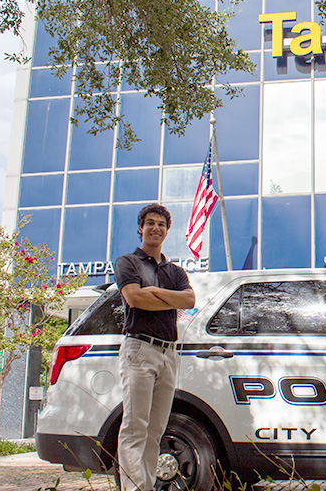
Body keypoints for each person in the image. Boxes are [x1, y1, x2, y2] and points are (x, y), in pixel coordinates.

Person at [114, 203, 195, 491]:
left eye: (161, 223)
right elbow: (135, 298)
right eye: (150, 223)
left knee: (155, 431)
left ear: (167, 230)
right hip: (140, 350)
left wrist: (157, 292)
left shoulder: (175, 270)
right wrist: (169, 298)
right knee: (135, 428)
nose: (156, 228)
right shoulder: (128, 263)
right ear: (141, 228)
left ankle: (145, 486)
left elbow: (189, 301)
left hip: (168, 354)